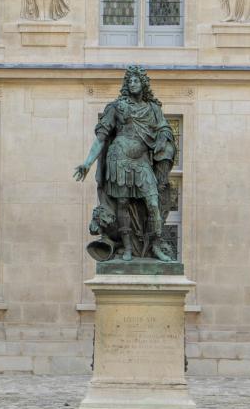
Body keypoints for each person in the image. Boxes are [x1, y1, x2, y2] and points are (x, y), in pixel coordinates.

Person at [74, 66, 178, 262]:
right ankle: (128, 247)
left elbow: (164, 128)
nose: (132, 83)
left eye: (136, 80)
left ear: (143, 83)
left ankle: (155, 245)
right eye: (129, 81)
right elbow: (101, 138)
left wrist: (163, 138)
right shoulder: (117, 107)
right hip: (118, 160)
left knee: (153, 203)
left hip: (141, 162)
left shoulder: (153, 109)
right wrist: (87, 162)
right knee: (123, 203)